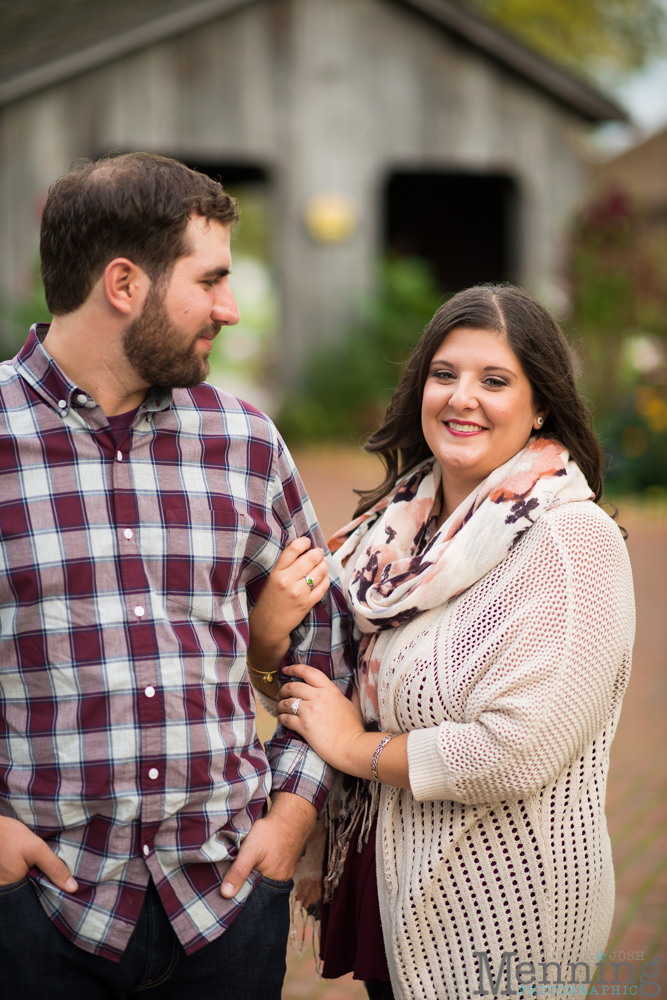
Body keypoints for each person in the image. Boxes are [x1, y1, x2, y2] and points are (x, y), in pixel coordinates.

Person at [0, 151, 349, 998]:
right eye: (211, 280)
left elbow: (326, 636)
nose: (229, 310)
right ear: (125, 283)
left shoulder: (245, 442)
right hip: (35, 912)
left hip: (225, 908)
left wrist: (293, 810)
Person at [249, 285, 635, 1000]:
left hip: (499, 921)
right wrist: (267, 644)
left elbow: (512, 752)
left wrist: (351, 749)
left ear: (540, 404)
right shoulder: (388, 533)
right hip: (392, 897)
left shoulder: (566, 541)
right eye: (444, 374)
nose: (462, 398)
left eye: (494, 380)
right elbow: (319, 686)